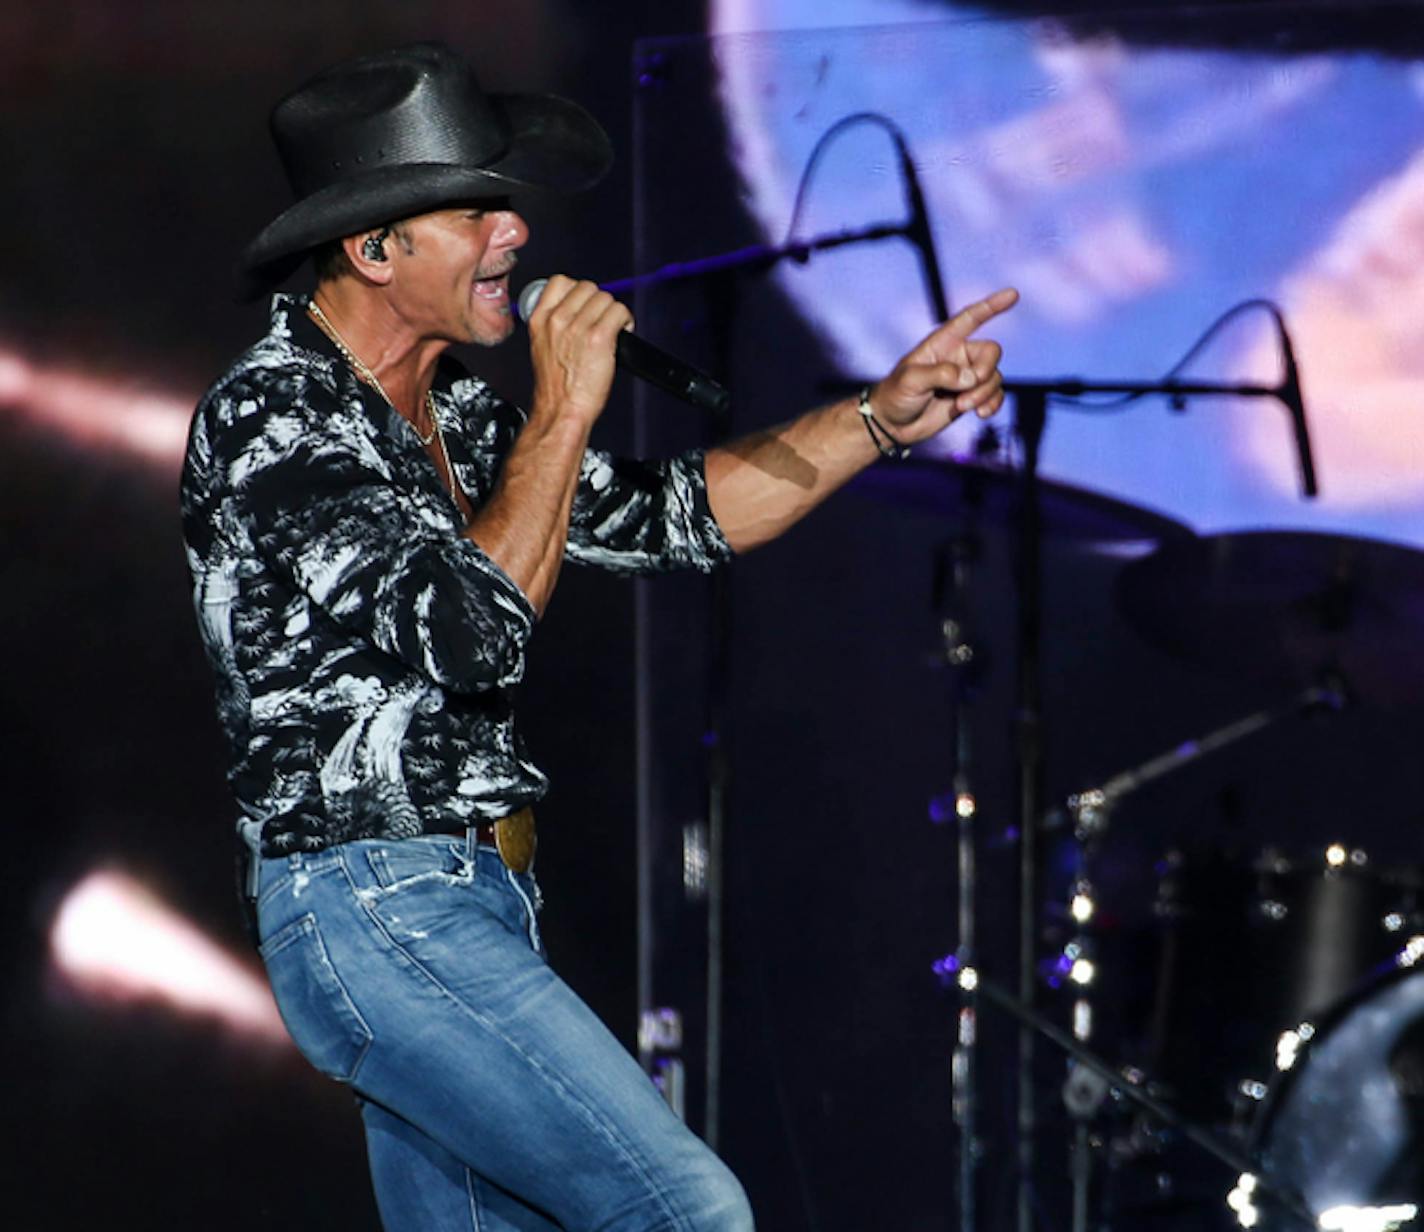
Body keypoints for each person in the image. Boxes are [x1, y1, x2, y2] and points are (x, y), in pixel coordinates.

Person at [181, 40, 1015, 1232]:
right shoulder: (277, 415)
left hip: (473, 892)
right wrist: (567, 399)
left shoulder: (453, 407)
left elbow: (677, 515)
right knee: (682, 1210)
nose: (515, 234)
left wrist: (880, 420)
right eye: (476, 210)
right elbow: (473, 633)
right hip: (370, 896)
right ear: (373, 247)